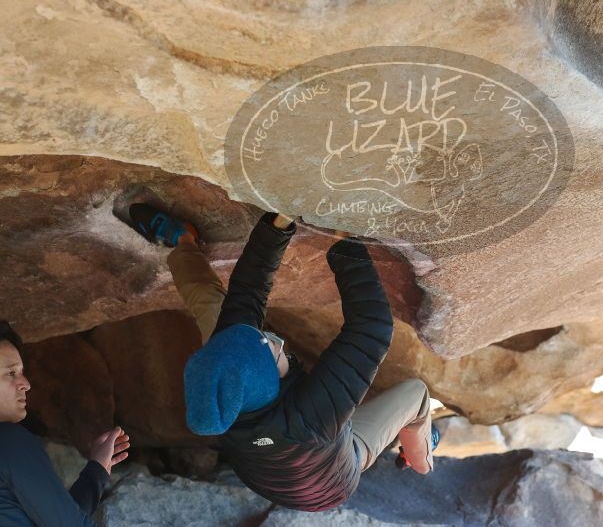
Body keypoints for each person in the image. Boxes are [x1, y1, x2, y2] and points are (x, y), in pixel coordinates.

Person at [128, 204, 438, 512]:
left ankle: (183, 242)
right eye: (273, 346)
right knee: (417, 394)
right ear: (273, 378)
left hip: (269, 474)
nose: (275, 340)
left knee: (212, 307)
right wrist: (345, 240)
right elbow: (372, 327)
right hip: (330, 482)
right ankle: (420, 456)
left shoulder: (223, 384)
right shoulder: (311, 418)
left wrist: (278, 224)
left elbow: (248, 292)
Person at [0, 321, 131, 526]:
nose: (25, 384)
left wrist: (97, 471)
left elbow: (58, 517)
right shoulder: (10, 441)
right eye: (11, 373)